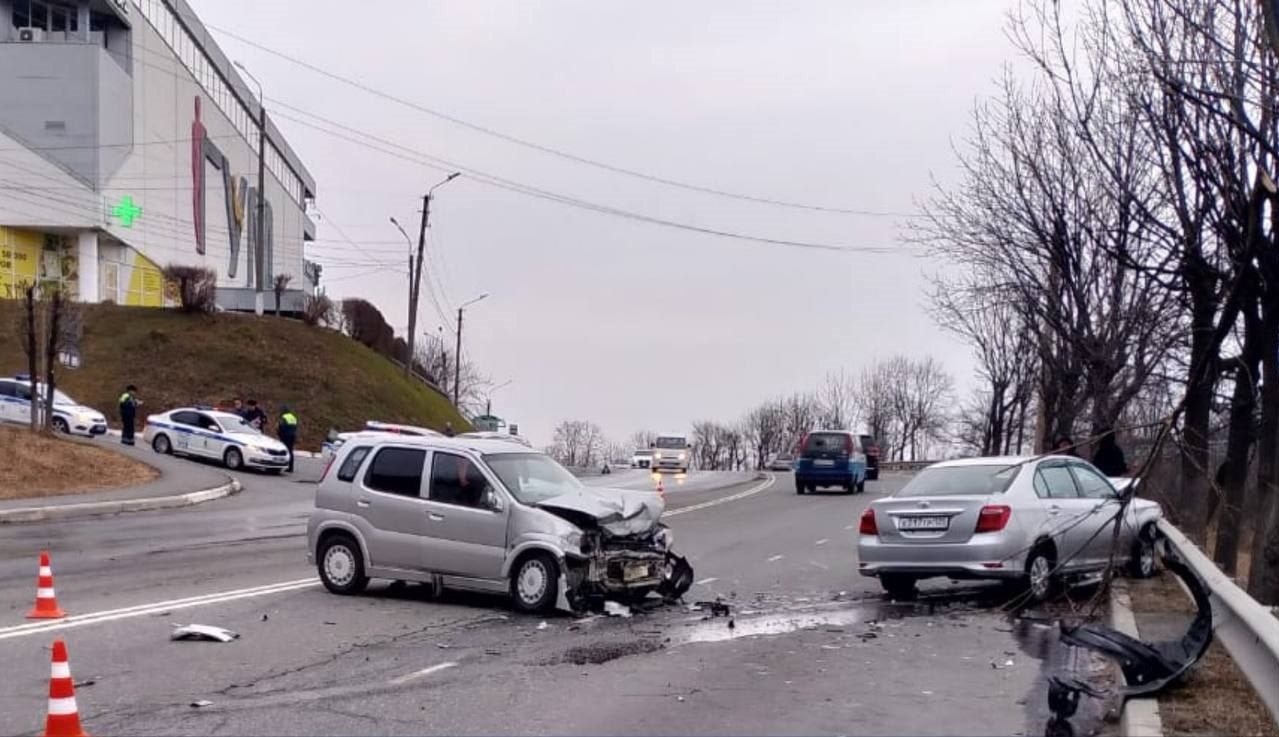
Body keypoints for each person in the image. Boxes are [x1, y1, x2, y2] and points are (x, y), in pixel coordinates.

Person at [278, 405, 299, 473]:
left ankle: (280, 465)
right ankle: (291, 467)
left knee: (283, 451)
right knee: (290, 451)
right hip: (293, 436)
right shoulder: (293, 417)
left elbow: (281, 427)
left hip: (285, 436)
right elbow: (295, 427)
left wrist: (279, 434)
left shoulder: (284, 417)